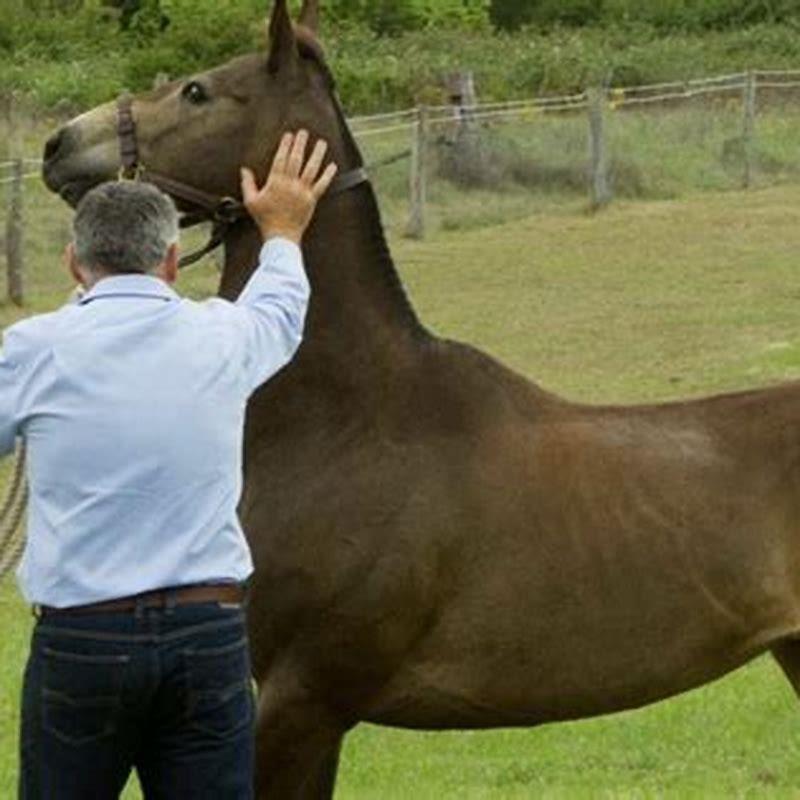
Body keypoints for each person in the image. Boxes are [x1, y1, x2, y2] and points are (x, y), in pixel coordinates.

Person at [4, 131, 337, 799]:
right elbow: (279, 308)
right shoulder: (223, 336)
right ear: (173, 261)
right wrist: (283, 228)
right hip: (207, 636)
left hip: (82, 640)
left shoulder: (34, 349)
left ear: (74, 263)